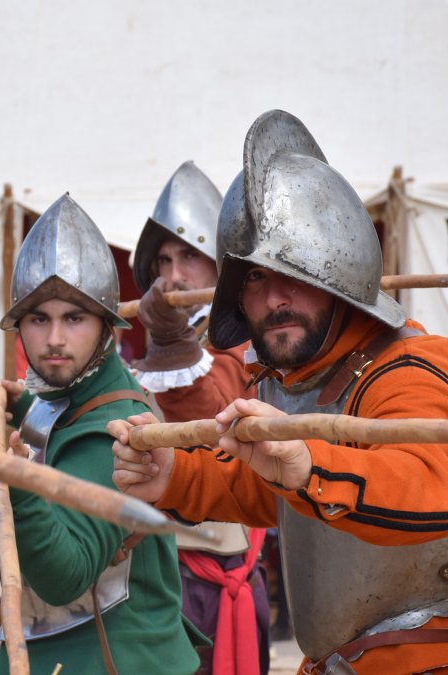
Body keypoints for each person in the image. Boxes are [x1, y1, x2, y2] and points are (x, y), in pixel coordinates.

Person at [112, 110, 448, 674]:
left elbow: (429, 490)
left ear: (337, 273)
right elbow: (268, 488)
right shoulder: (297, 379)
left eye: (296, 273)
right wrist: (175, 475)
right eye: (254, 277)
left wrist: (308, 465)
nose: (275, 297)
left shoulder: (412, 370)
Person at [0, 193, 201, 674]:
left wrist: (14, 484)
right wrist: (20, 406)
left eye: (73, 318)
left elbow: (66, 577)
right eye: (39, 319)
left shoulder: (115, 431)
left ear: (104, 329)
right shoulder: (74, 395)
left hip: (111, 655)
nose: (54, 339)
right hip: (63, 641)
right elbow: (56, 419)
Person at [130, 161, 270, 674]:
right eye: (163, 259)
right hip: (150, 574)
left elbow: (213, 428)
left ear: (220, 265)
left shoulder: (247, 344)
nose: (173, 275)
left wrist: (172, 344)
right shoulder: (148, 352)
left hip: (217, 572)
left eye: (190, 255)